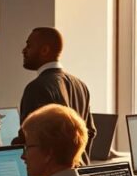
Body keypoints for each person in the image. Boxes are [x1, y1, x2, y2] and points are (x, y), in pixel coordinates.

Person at [16, 27, 96, 163]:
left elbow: (30, 136)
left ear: (45, 50)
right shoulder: (80, 85)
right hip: (77, 171)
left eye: (29, 46)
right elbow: (90, 132)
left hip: (52, 173)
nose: (24, 50)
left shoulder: (37, 88)